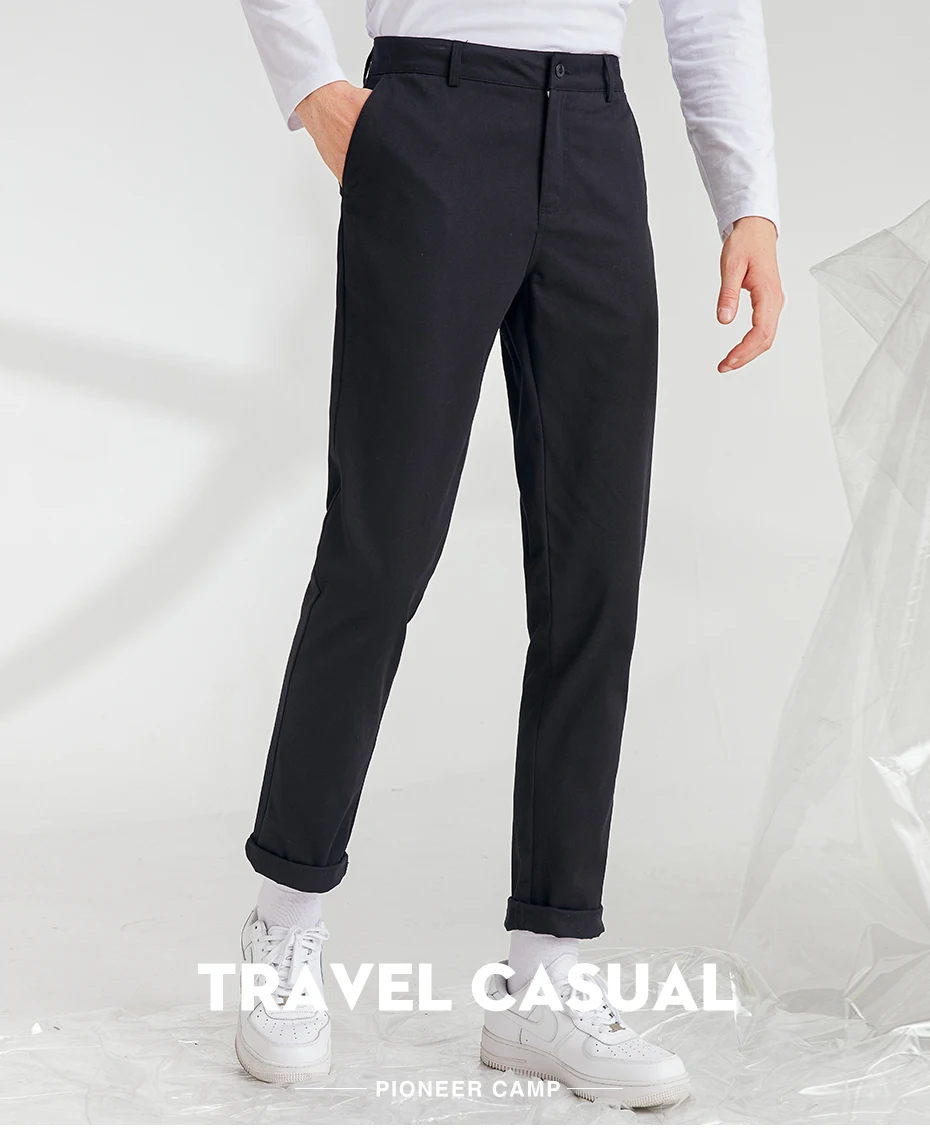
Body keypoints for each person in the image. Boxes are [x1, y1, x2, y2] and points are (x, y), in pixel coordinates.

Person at [234, 0, 783, 1106]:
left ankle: (546, 975)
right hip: (430, 116)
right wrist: (312, 87)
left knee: (595, 574)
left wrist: (750, 201)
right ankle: (282, 921)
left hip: (596, 133)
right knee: (381, 547)